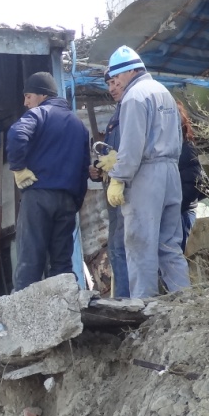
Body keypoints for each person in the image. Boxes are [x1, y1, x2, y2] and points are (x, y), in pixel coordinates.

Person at [99, 46, 189, 298]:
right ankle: (187, 304)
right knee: (169, 246)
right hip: (171, 173)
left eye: (116, 78)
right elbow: (179, 140)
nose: (115, 84)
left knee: (140, 245)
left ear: (129, 71)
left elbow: (131, 147)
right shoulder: (163, 92)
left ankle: (145, 310)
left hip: (145, 175)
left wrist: (118, 178)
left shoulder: (134, 97)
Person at [6, 71, 90, 292]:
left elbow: (16, 134)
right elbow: (84, 166)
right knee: (61, 263)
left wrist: (18, 167)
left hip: (39, 197)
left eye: (28, 96)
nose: (25, 103)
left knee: (30, 259)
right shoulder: (79, 125)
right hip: (68, 201)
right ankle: (64, 315)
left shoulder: (39, 114)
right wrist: (76, 200)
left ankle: (23, 314)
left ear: (42, 95)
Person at [89, 70, 129, 298]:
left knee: (122, 248)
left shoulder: (132, 108)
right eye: (109, 84)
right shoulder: (119, 112)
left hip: (126, 190)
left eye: (115, 82)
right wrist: (99, 169)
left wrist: (116, 168)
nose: (112, 88)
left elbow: (130, 152)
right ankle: (123, 298)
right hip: (114, 190)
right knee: (116, 248)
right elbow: (114, 153)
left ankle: (128, 300)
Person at [177, 101, 206, 251]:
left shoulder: (185, 148)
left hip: (181, 212)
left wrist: (170, 207)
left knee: (173, 259)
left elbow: (191, 186)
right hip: (175, 211)